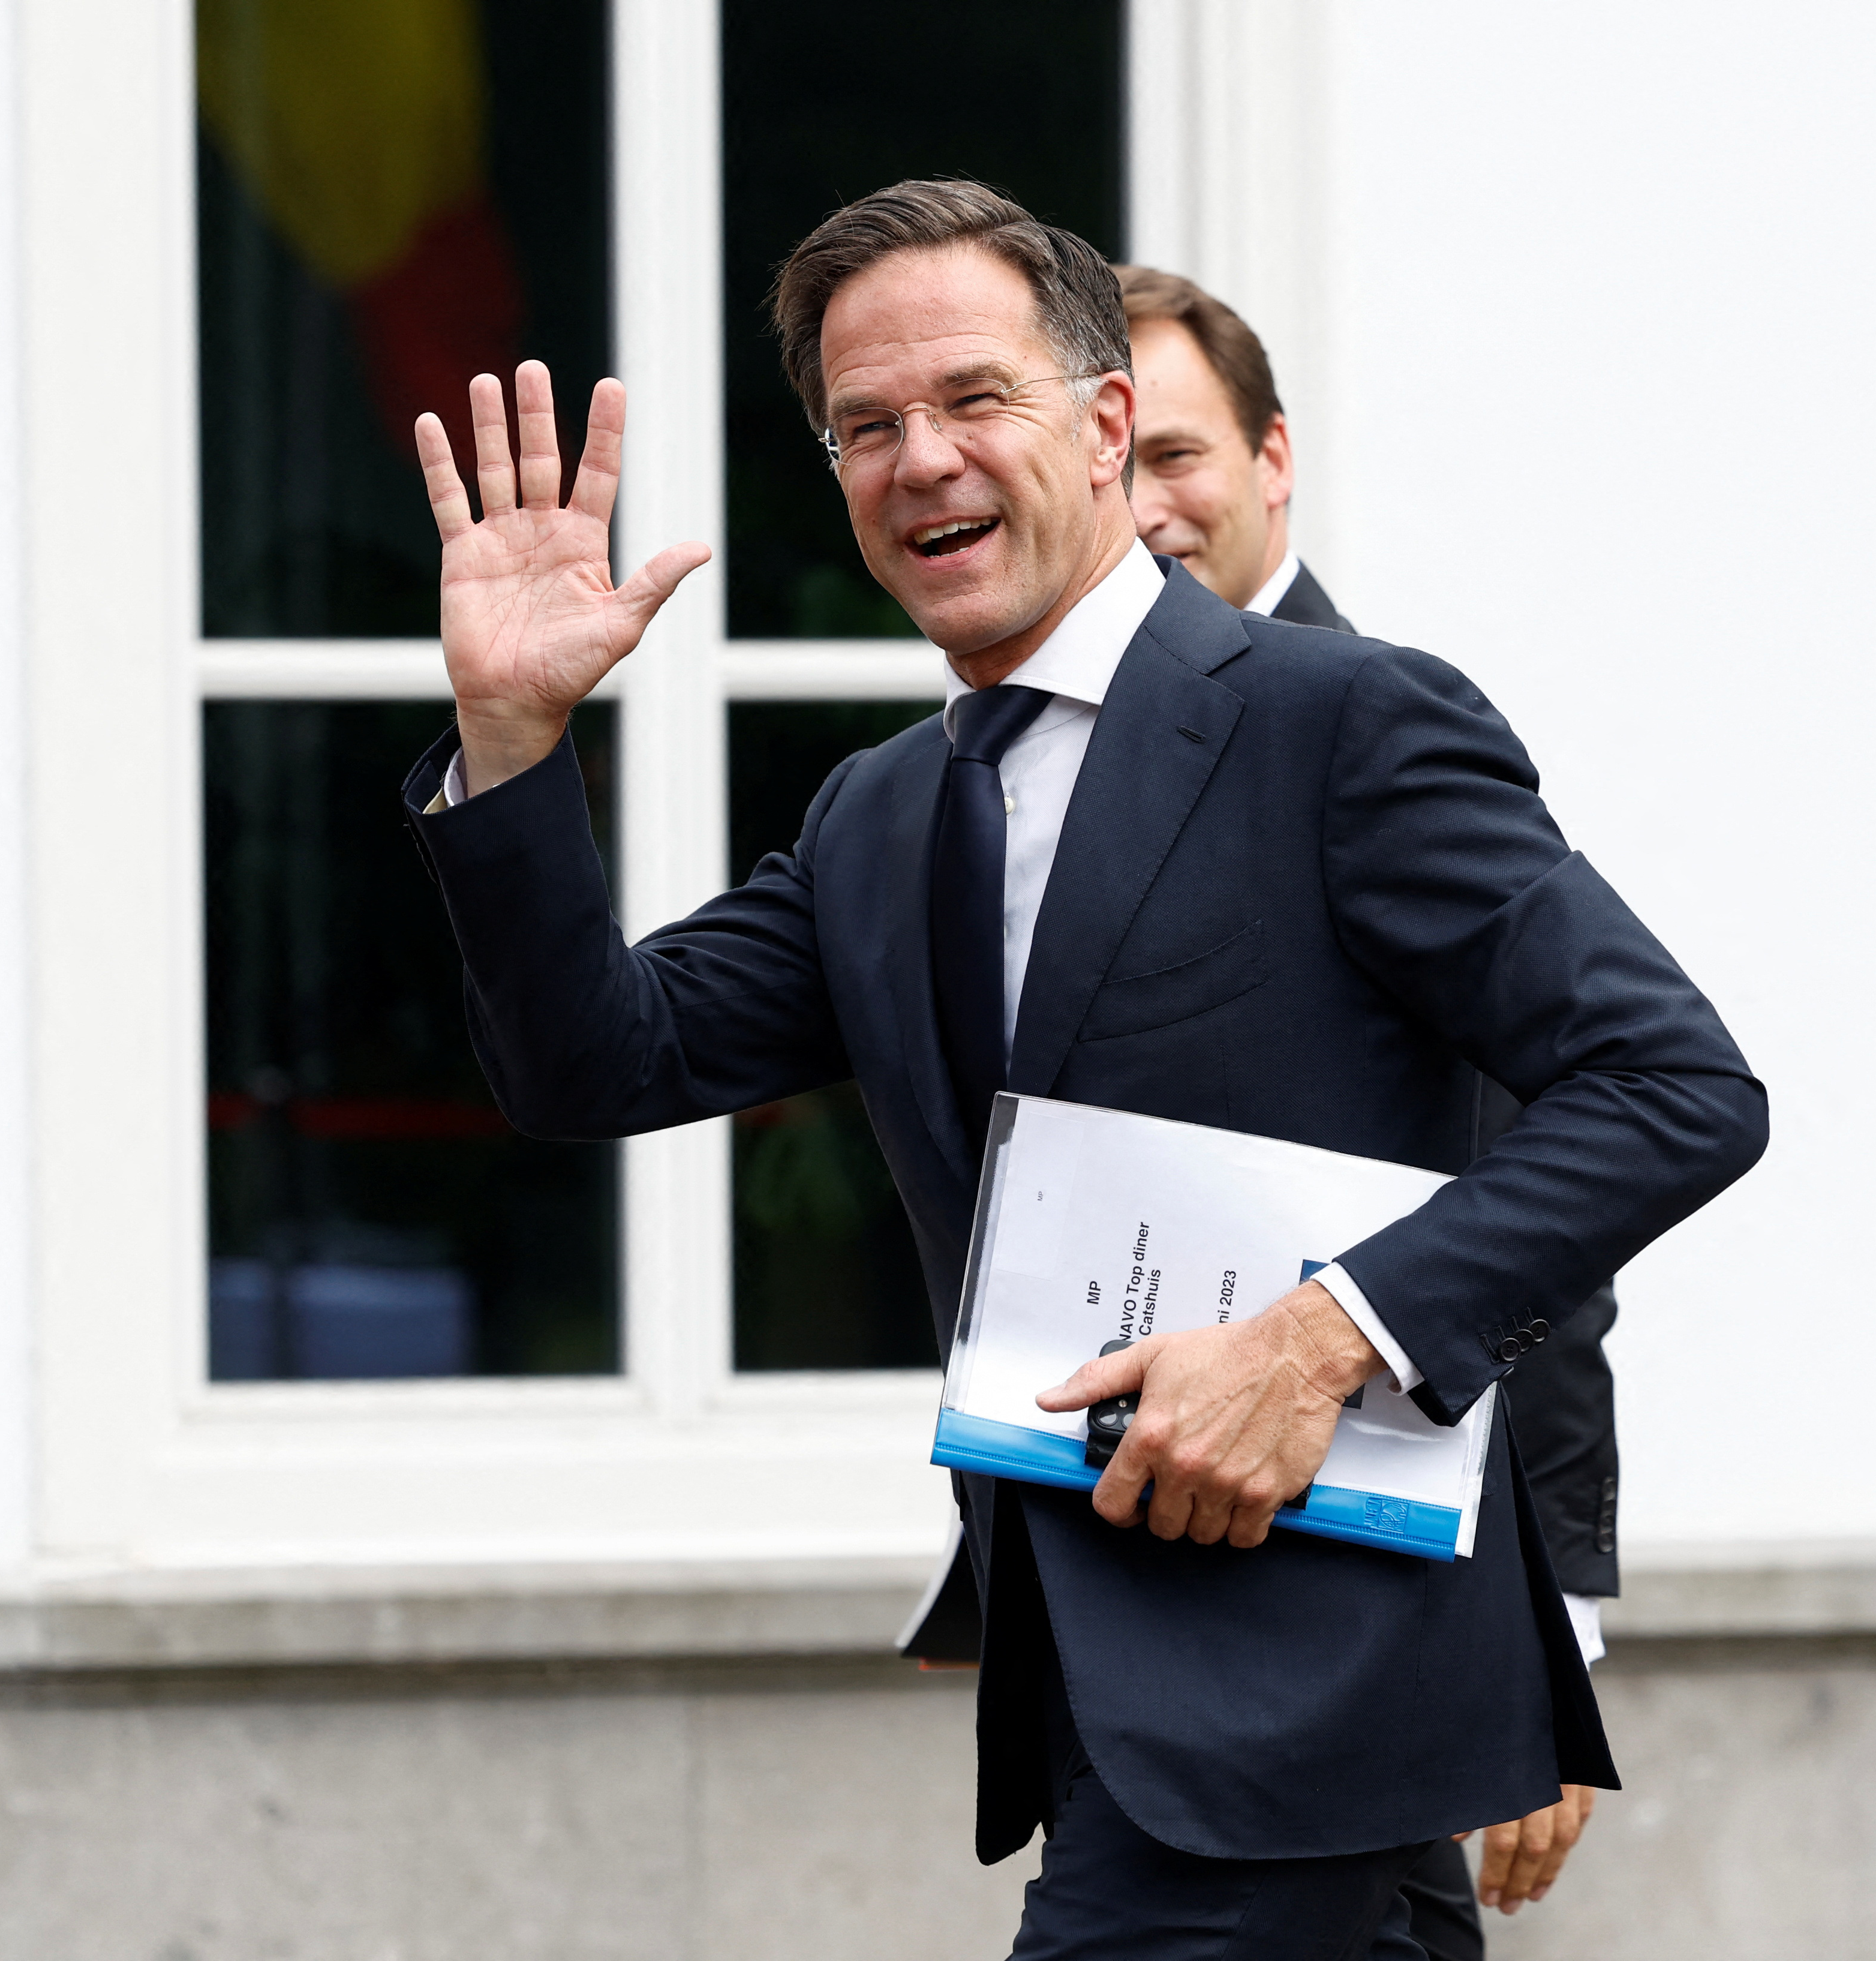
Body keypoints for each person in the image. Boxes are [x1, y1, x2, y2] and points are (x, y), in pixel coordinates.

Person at [402, 179, 1766, 1960]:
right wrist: (511, 744)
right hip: (1109, 1712)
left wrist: (1323, 1335)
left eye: (976, 400)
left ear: (1107, 423)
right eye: (869, 426)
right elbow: (595, 1062)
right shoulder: (879, 814)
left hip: (1318, 1694)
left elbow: (1674, 1087)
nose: (924, 460)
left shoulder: (1341, 722)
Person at [1114, 261, 1619, 1954]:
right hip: (1151, 1594)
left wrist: (1557, 1635)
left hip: (1393, 1589)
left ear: (1273, 461)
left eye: (1177, 454)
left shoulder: (1371, 723)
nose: (1145, 507)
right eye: (1110, 462)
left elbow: (1553, 1180)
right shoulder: (1041, 749)